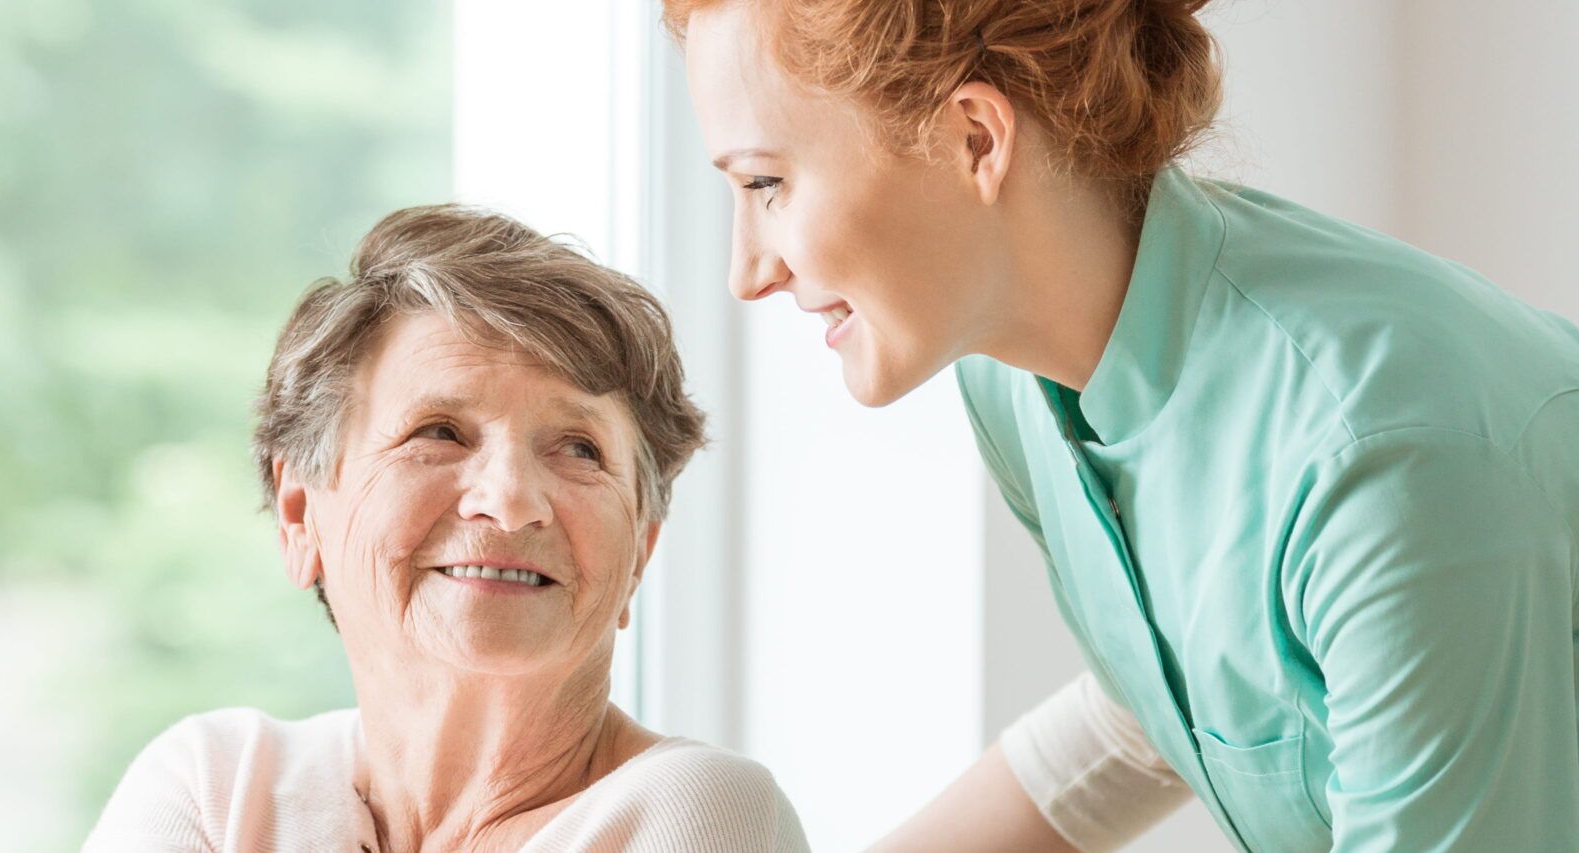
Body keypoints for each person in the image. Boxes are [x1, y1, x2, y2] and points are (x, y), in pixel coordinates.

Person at [665, 0, 1579, 850]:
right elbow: (1178, 704)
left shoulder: (1383, 461)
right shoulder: (1013, 377)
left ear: (973, 138)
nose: (747, 272)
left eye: (766, 182)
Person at [82, 205, 808, 852]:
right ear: (303, 515)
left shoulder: (701, 811)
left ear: (640, 551)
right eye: (440, 431)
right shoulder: (216, 783)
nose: (511, 499)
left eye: (580, 448)